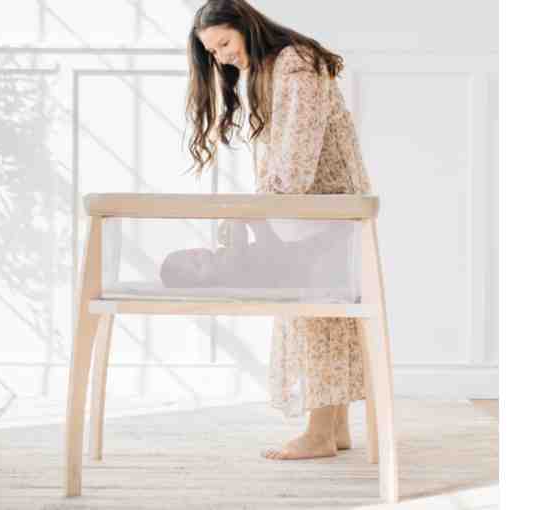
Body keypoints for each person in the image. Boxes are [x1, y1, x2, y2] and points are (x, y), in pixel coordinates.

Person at [185, 0, 373, 460]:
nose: (221, 57)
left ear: (246, 27)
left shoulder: (295, 65)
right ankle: (334, 428)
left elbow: (297, 159)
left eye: (224, 43)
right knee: (323, 316)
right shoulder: (270, 70)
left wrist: (259, 207)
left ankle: (319, 433)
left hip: (325, 210)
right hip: (318, 211)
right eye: (212, 52)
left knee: (318, 315)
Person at [159, 219, 355, 289]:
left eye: (192, 253)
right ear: (202, 285)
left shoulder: (222, 260)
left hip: (284, 257)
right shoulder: (226, 273)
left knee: (319, 241)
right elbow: (239, 244)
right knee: (321, 251)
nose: (199, 256)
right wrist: (236, 219)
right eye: (197, 265)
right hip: (296, 269)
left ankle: (345, 231)